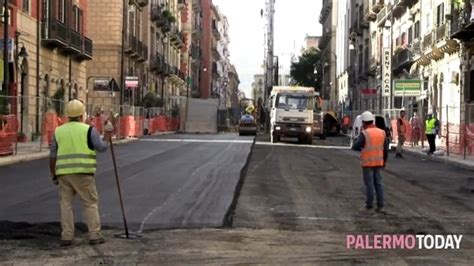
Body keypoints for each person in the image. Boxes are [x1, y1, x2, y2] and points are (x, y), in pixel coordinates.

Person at [49, 99, 113, 246]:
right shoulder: (89, 130)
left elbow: (52, 155)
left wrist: (53, 174)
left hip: (64, 174)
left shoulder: (59, 131)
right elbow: (101, 147)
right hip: (83, 173)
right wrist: (108, 135)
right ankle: (95, 235)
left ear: (67, 115)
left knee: (66, 204)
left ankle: (66, 236)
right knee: (90, 203)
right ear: (81, 115)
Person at [352, 111, 389, 213]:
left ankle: (369, 205)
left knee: (369, 184)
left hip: (368, 163)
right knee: (379, 183)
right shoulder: (382, 132)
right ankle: (380, 205)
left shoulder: (365, 133)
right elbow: (385, 149)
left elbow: (356, 146)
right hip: (378, 162)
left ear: (364, 122)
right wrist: (384, 161)